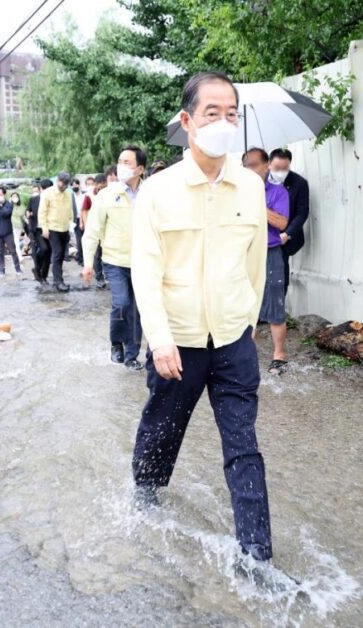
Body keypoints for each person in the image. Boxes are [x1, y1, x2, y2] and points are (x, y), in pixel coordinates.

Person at [131, 72, 273, 578]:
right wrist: (161, 340)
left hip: (234, 340)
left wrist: (249, 318)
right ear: (187, 121)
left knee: (244, 445)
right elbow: (145, 273)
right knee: (163, 428)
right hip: (179, 344)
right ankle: (144, 493)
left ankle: (257, 557)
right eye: (212, 112)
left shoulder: (251, 186)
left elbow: (255, 262)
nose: (223, 121)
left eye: (231, 112)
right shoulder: (158, 191)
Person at [83, 146, 146, 371]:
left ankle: (131, 355)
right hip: (114, 261)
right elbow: (92, 230)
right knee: (122, 303)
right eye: (120, 161)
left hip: (143, 262)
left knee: (138, 309)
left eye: (127, 162)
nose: (121, 166)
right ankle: (116, 343)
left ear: (140, 168)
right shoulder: (107, 195)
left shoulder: (149, 194)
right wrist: (88, 263)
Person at [243, 148, 290, 373]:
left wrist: (260, 207)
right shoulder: (237, 193)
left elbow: (281, 223)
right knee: (244, 302)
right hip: (244, 252)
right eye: (247, 165)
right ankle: (243, 353)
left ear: (266, 166)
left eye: (255, 165)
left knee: (275, 301)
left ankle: (279, 354)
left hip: (270, 252)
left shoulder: (278, 192)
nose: (251, 169)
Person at [268, 148, 309, 294]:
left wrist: (287, 234)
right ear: (269, 165)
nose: (281, 171)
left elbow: (302, 213)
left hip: (283, 239)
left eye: (285, 168)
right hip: (262, 238)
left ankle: (278, 312)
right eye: (277, 168)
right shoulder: (259, 182)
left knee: (280, 277)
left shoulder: (299, 183)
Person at [39, 172, 72, 292]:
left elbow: (69, 210)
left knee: (62, 254)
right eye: (62, 183)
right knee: (57, 254)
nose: (63, 186)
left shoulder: (68, 194)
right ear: (58, 181)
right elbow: (42, 211)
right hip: (53, 228)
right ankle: (58, 281)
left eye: (66, 184)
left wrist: (71, 224)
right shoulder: (47, 193)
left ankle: (58, 279)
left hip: (65, 228)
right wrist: (44, 227)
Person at [80, 173, 107, 289]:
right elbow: (84, 211)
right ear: (96, 185)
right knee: (96, 254)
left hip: (106, 229)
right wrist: (86, 225)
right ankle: (99, 277)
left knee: (104, 253)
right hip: (94, 228)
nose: (102, 188)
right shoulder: (89, 195)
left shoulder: (109, 193)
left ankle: (106, 275)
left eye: (104, 186)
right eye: (100, 186)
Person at [71, 178, 85, 266]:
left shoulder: (84, 195)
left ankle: (83, 257)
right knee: (79, 240)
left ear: (79, 185)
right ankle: (81, 258)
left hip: (85, 219)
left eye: (75, 185)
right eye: (72, 185)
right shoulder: (71, 196)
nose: (74, 187)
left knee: (85, 240)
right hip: (76, 220)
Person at [10, 191, 25, 261]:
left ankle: (18, 254)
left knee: (21, 241)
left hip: (19, 227)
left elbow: (23, 217)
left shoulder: (21, 207)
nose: (15, 198)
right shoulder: (9, 206)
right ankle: (19, 257)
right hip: (11, 227)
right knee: (16, 242)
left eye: (16, 196)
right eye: (13, 197)